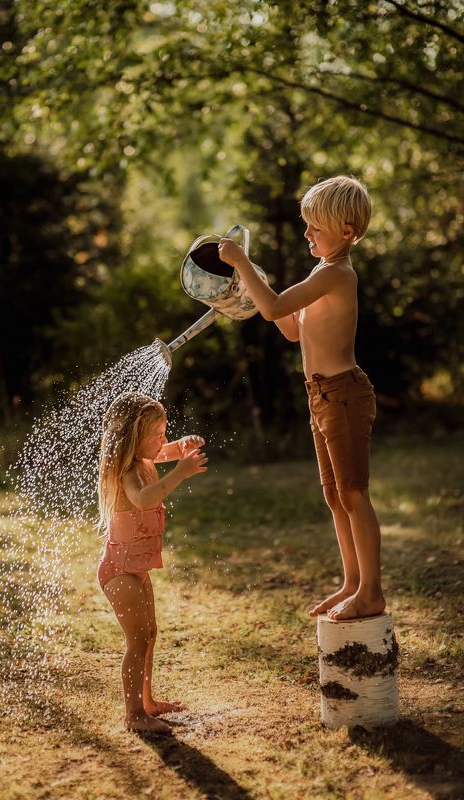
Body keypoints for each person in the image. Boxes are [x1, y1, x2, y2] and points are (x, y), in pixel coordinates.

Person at [218, 175, 385, 621]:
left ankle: (371, 592)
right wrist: (251, 283)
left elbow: (273, 308)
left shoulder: (337, 273)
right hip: (320, 397)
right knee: (335, 495)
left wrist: (243, 262)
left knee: (354, 493)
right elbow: (290, 327)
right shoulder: (320, 271)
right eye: (306, 225)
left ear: (347, 232)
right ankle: (352, 582)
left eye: (315, 227)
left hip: (343, 395)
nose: (306, 234)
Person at [97, 392, 207, 734]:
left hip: (136, 570)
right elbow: (144, 499)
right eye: (156, 434)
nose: (163, 440)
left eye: (165, 432)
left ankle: (147, 703)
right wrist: (180, 473)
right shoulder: (127, 470)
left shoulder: (145, 457)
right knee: (137, 640)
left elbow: (166, 451)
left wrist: (182, 445)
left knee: (150, 635)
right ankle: (133, 715)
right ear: (133, 439)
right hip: (119, 572)